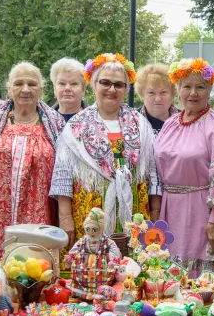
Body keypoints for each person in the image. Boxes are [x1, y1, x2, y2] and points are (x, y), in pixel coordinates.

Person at [50, 52, 161, 255]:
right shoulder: (75, 127)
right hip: (89, 216)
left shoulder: (141, 124)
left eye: (118, 84)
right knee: (92, 266)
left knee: (131, 269)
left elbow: (153, 173)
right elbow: (62, 176)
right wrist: (65, 219)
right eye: (105, 83)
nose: (112, 89)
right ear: (93, 85)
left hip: (134, 216)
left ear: (126, 89)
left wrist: (154, 214)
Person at [0, 62, 64, 256]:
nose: (25, 89)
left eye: (32, 84)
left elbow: (64, 170)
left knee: (35, 263)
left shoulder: (55, 123)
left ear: (41, 90)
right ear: (9, 88)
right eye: (18, 84)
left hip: (39, 208)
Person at [155, 58, 214, 277]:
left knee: (199, 280)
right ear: (178, 90)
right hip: (169, 210)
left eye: (200, 87)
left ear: (209, 90)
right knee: (168, 276)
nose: (193, 93)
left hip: (200, 211)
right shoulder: (170, 123)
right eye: (187, 86)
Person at [136, 63, 178, 135]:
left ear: (172, 94)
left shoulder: (184, 120)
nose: (158, 99)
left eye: (163, 92)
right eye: (151, 92)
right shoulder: (131, 120)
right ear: (142, 95)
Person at [50, 57, 87, 123]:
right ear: (54, 89)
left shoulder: (98, 118)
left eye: (74, 84)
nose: (67, 88)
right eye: (62, 83)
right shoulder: (43, 119)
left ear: (83, 89)